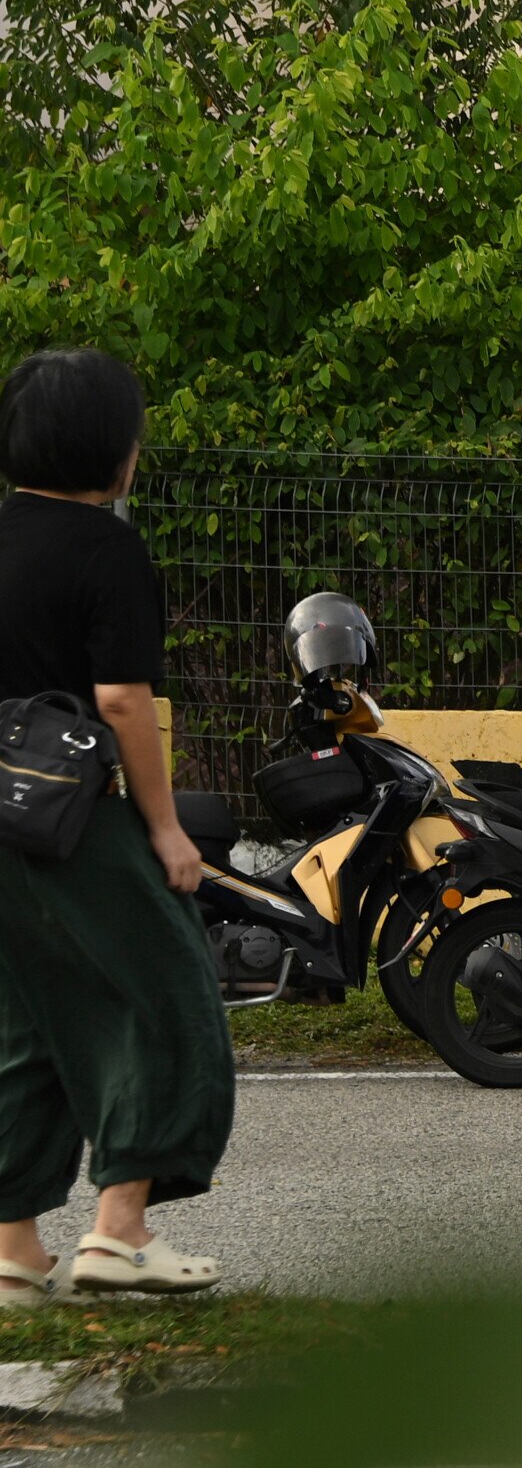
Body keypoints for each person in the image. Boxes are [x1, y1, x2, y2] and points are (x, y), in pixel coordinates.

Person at [0, 348, 226, 1294]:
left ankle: (12, 1255)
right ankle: (119, 1230)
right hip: (71, 820)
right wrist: (166, 829)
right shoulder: (107, 547)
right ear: (117, 450)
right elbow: (123, 700)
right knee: (168, 995)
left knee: (29, 1021)